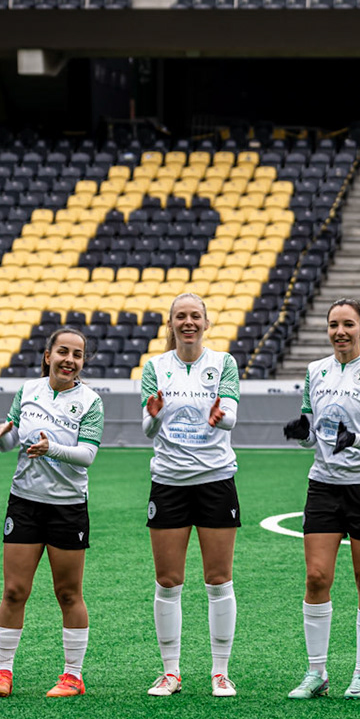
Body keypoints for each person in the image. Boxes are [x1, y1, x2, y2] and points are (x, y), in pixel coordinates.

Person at [282, 300, 360, 700]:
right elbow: (315, 434)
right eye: (333, 325)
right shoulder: (315, 371)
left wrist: (354, 439)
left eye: (348, 324)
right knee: (316, 577)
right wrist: (302, 433)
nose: (340, 332)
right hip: (324, 486)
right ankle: (316, 673)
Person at [0, 326, 103, 698]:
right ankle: (3, 672)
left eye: (77, 355)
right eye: (63, 352)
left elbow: (86, 456)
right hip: (24, 502)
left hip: (68, 507)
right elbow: (10, 442)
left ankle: (73, 676)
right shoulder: (27, 392)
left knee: (69, 593)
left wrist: (51, 448)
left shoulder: (91, 401)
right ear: (48, 355)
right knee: (14, 590)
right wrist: (0, 436)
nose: (69, 360)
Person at [141, 292, 242, 698]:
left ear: (206, 322)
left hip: (215, 479)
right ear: (171, 324)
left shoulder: (223, 364)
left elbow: (231, 413)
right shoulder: (155, 367)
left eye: (195, 316)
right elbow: (147, 429)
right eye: (180, 316)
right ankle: (171, 672)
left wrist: (221, 417)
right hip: (169, 481)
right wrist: (154, 413)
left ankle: (220, 672)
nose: (188, 322)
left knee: (218, 580)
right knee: (168, 581)